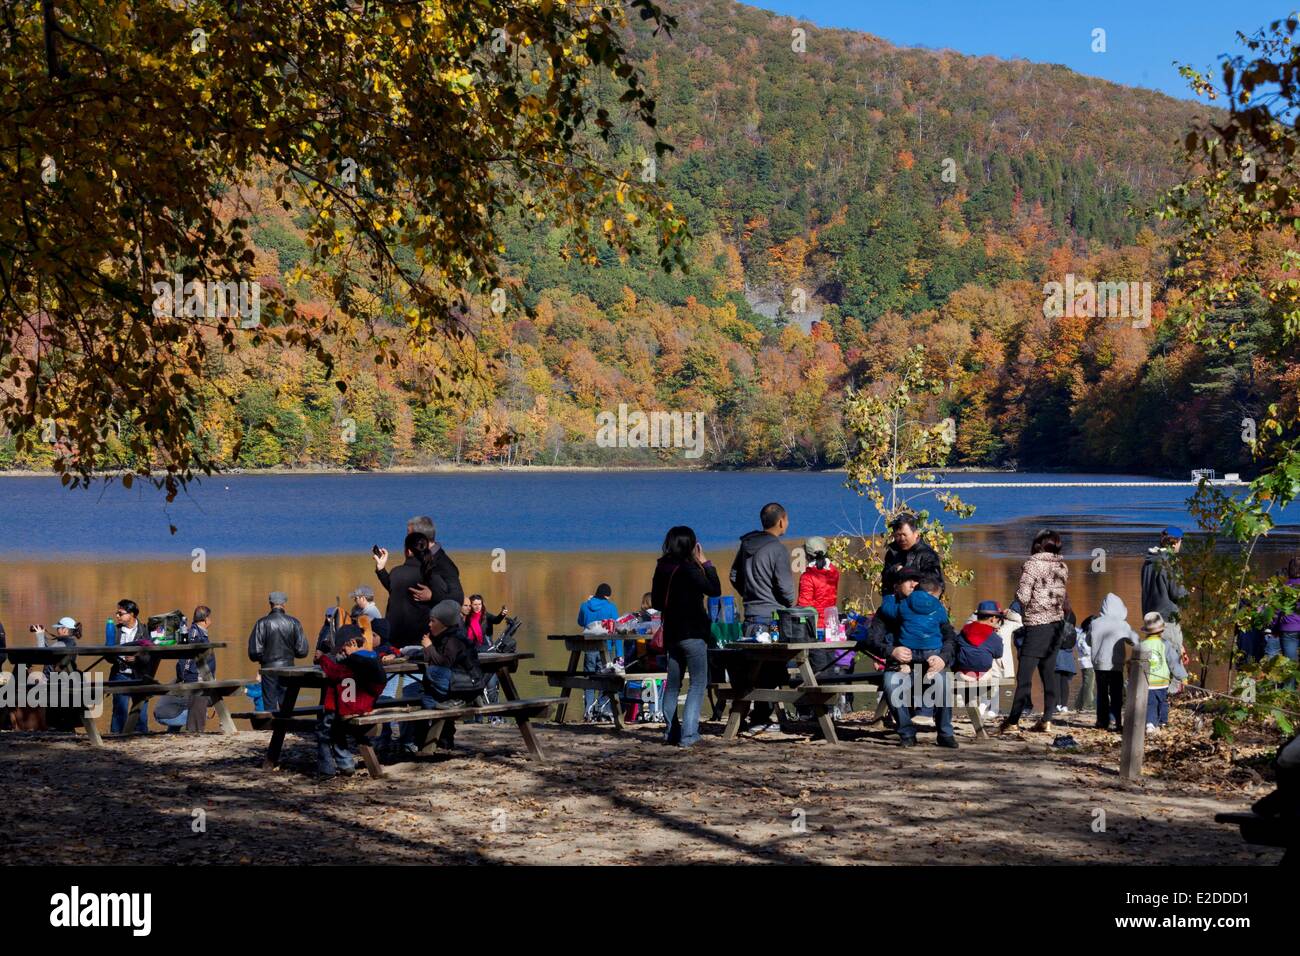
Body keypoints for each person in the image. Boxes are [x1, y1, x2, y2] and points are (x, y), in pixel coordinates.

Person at [861, 572, 958, 747]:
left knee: (943, 682)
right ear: (896, 586)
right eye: (908, 581)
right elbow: (871, 640)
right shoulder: (887, 610)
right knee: (892, 684)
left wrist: (943, 658)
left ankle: (945, 733)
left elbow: (950, 637)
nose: (914, 584)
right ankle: (906, 732)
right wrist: (892, 651)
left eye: (917, 581)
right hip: (900, 665)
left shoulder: (933, 608)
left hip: (930, 664)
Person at [651, 525, 720, 748]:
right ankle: (689, 735)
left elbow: (656, 603)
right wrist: (706, 563)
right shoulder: (689, 568)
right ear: (690, 544)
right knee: (698, 683)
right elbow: (714, 590)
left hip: (672, 633)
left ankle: (671, 732)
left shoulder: (662, 567)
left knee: (672, 685)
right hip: (693, 633)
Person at [729, 502, 796, 732]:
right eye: (787, 519)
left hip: (750, 616)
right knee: (769, 670)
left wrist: (749, 594)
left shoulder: (746, 544)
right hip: (770, 617)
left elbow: (734, 575)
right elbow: (787, 590)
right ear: (781, 521)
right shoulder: (777, 549)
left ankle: (749, 718)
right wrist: (788, 602)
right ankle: (759, 719)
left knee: (752, 669)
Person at [998, 529, 1069, 735]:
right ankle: (1047, 719)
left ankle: (1012, 722)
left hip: (1037, 625)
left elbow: (1023, 595)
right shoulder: (1062, 566)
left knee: (1024, 677)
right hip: (1057, 625)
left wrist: (1018, 601)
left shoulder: (1032, 564)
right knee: (1048, 674)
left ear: (1037, 545)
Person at [395, 600, 487, 752]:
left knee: (432, 672)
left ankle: (466, 699)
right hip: (457, 684)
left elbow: (443, 663)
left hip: (466, 682)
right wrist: (408, 655)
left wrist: (429, 647)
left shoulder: (454, 639)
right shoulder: (444, 637)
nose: (429, 625)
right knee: (427, 699)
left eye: (433, 621)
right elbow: (433, 656)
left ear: (444, 623)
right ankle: (429, 742)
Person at [315, 624, 387, 777]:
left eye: (343, 649)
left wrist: (322, 658)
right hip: (364, 708)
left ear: (352, 644)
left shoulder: (352, 663)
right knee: (336, 729)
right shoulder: (374, 659)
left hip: (347, 709)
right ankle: (345, 764)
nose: (343, 652)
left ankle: (327, 769)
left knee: (324, 732)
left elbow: (335, 672)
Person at [1141, 527, 1190, 691]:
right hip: (1167, 620)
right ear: (1176, 542)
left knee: (1155, 663)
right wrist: (1188, 593)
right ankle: (1171, 699)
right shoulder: (1170, 563)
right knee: (1172, 661)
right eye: (1180, 542)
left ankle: (1152, 698)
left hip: (1150, 619)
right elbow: (1177, 593)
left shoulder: (1148, 562)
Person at [247, 591, 308, 714]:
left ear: (270, 603)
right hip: (288, 668)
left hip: (268, 669)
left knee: (269, 703)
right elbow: (302, 651)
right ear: (284, 604)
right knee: (286, 703)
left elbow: (254, 652)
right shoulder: (294, 623)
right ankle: (286, 728)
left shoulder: (261, 623)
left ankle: (271, 728)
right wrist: (289, 654)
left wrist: (264, 658)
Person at [375, 532, 439, 647]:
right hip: (422, 639)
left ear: (408, 551)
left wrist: (381, 569)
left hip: (395, 638)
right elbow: (448, 597)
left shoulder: (397, 572)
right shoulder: (430, 573)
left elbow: (393, 587)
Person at [1089, 593, 1139, 732]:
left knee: (1102, 693)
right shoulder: (1122, 625)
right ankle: (1114, 720)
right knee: (1116, 693)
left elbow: (1088, 641)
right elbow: (1134, 640)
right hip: (1115, 664)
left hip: (1099, 664)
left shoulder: (1095, 623)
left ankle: (1101, 721)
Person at [108, 599, 155, 734]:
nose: (117, 616)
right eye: (117, 613)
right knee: (119, 709)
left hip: (140, 674)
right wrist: (113, 654)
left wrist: (137, 659)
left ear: (132, 614)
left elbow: (151, 655)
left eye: (120, 613)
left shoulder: (145, 630)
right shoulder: (115, 631)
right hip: (120, 673)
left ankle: (141, 736)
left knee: (141, 712)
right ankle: (116, 737)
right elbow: (108, 656)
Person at [956, 601, 1006, 719]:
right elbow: (998, 654)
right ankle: (983, 708)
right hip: (982, 676)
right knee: (994, 675)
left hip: (962, 675)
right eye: (998, 619)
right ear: (993, 619)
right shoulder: (995, 637)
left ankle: (973, 706)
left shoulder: (963, 632)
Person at [577, 584, 619, 721]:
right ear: (607, 596)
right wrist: (619, 653)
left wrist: (588, 603)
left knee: (589, 678)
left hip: (589, 647)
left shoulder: (585, 605)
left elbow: (580, 622)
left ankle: (588, 710)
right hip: (605, 648)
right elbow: (616, 629)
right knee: (604, 678)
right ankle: (601, 709)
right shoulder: (611, 607)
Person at [1139, 612, 1186, 733]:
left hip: (1147, 681)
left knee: (1150, 703)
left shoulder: (1142, 645)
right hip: (1162, 682)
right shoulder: (1165, 644)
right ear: (1161, 631)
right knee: (1162, 702)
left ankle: (1150, 723)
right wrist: (1182, 676)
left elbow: (1139, 665)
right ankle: (1162, 721)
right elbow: (1173, 662)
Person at [404, 515, 464, 606]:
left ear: (421, 538)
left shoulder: (444, 564)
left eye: (409, 534)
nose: (406, 539)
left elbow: (458, 598)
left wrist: (432, 596)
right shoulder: (419, 558)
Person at [881, 512, 943, 594]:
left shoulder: (927, 555)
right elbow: (885, 582)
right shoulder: (892, 553)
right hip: (895, 603)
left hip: (920, 602)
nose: (901, 539)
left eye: (904, 534)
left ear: (916, 533)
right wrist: (895, 570)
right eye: (898, 535)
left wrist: (907, 573)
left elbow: (937, 584)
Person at [176, 606, 215, 733]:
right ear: (205, 620)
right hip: (196, 676)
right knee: (198, 703)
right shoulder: (194, 634)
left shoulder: (199, 632)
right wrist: (189, 676)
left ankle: (196, 730)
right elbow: (186, 657)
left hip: (202, 675)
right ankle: (195, 732)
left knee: (199, 705)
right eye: (210, 617)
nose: (211, 620)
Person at [1268, 557, 1300, 666]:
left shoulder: (1284, 588)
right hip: (1290, 629)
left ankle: (1290, 683)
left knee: (1290, 667)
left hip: (1289, 629)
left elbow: (1276, 612)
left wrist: (1274, 628)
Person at [1074, 615, 1097, 714]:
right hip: (1088, 663)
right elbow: (1086, 649)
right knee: (1089, 685)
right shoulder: (1084, 635)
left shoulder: (1080, 632)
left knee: (1086, 684)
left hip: (1084, 662)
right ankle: (1088, 706)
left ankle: (1078, 705)